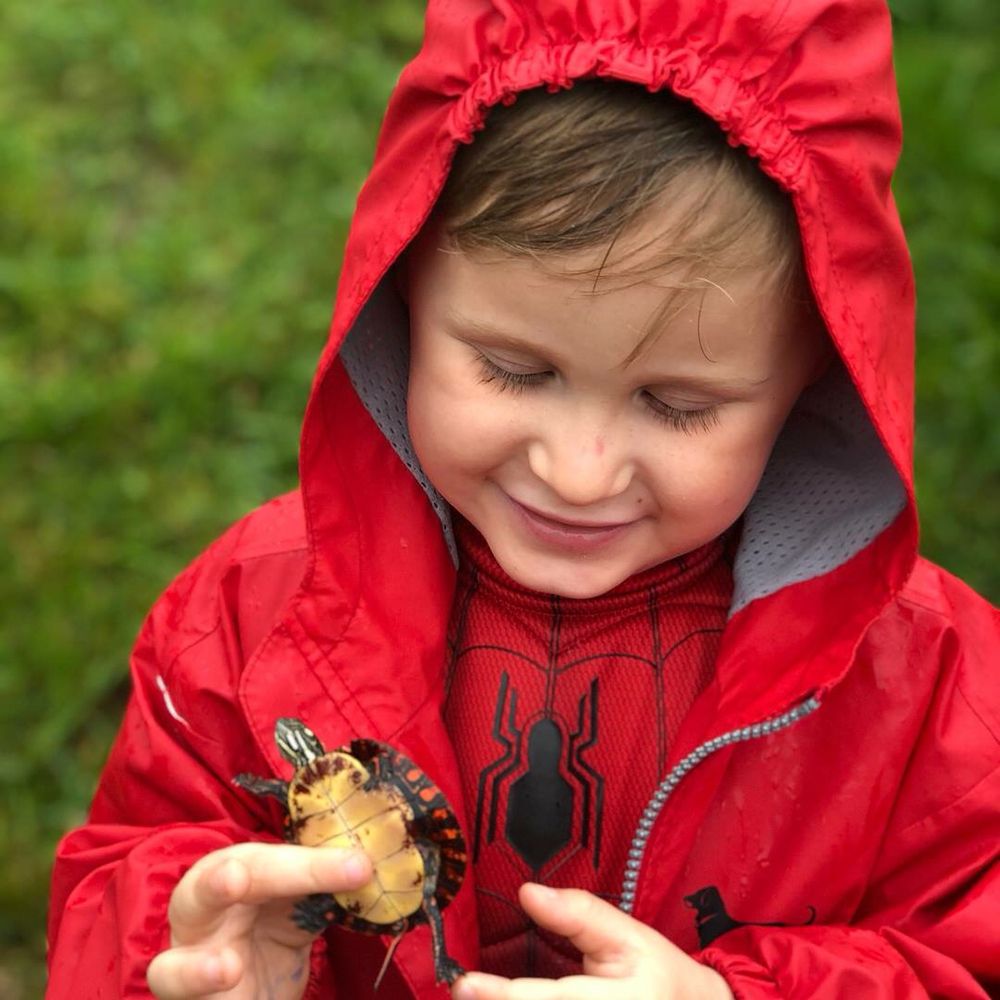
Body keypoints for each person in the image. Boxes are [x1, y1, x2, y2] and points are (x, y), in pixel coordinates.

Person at [46, 0, 999, 997]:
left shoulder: (930, 688)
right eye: (513, 369)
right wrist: (183, 950)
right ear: (405, 288)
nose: (579, 472)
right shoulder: (251, 618)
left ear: (816, 370)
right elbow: (126, 873)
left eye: (676, 405)